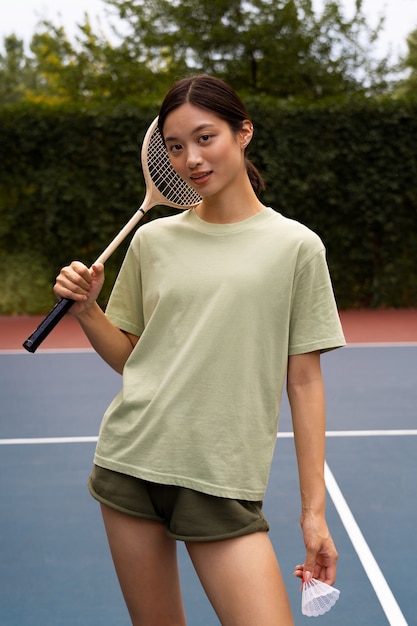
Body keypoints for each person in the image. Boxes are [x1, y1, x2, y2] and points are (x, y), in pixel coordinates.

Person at [54, 74, 345, 626]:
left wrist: (313, 515)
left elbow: (304, 382)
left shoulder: (297, 247)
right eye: (175, 146)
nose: (191, 159)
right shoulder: (152, 241)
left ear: (244, 133)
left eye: (205, 138)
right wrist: (88, 310)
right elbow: (132, 359)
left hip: (221, 479)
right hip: (130, 464)